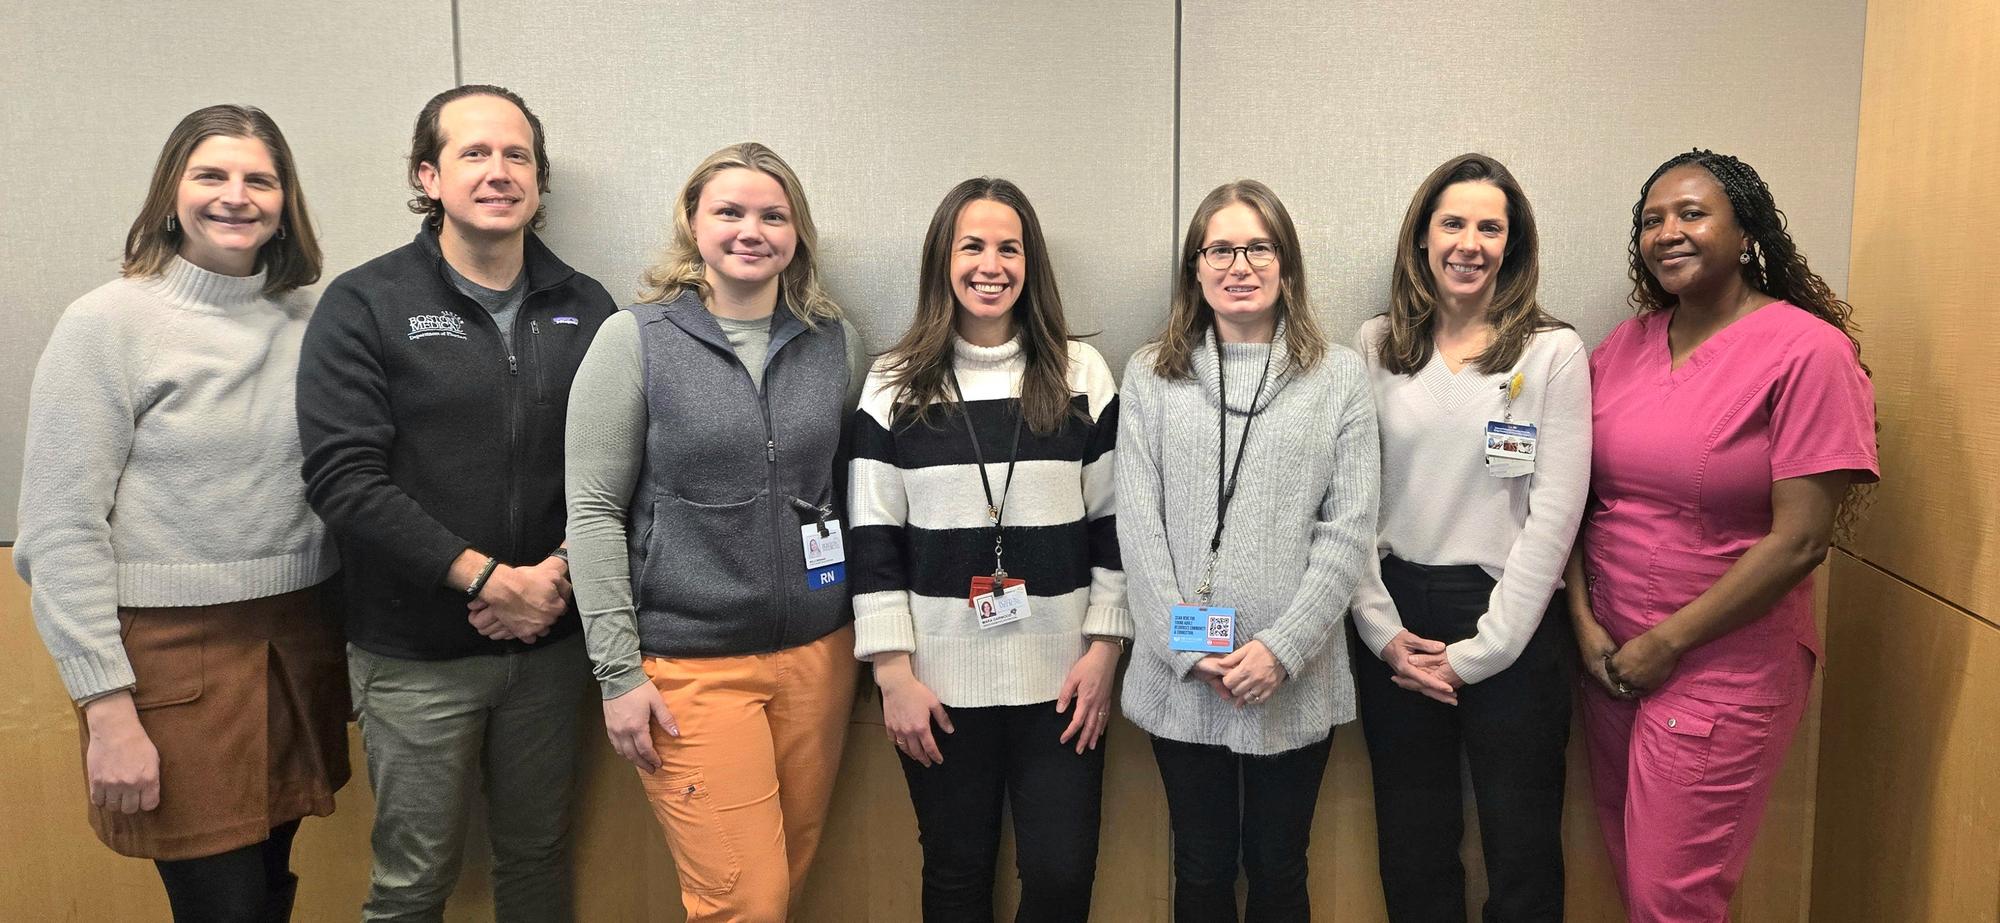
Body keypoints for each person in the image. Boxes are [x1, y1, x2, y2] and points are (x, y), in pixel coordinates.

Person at [15, 104, 343, 922]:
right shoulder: (107, 323)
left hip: (296, 638)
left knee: (269, 889)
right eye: (211, 175)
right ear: (171, 193)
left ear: (285, 203)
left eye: (259, 179)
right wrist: (105, 708)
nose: (236, 195)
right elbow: (59, 530)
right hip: (165, 658)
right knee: (221, 906)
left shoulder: (314, 322)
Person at [297, 85, 615, 921]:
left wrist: (554, 575)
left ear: (539, 180)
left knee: (538, 862)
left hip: (550, 641)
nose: (499, 171)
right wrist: (484, 579)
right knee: (413, 883)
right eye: (474, 153)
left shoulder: (588, 307)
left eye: (517, 155)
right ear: (428, 176)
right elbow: (342, 477)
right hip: (414, 655)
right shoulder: (366, 303)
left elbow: (622, 469)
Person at [1571, 148, 1878, 922]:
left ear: (1747, 234)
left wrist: (1667, 641)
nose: (1667, 232)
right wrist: (1583, 622)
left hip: (1721, 669)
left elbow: (1802, 540)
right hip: (1611, 660)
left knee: (1671, 897)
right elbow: (1573, 498)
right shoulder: (1623, 346)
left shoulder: (1809, 352)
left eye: (1691, 213)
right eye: (1651, 220)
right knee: (1635, 876)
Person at [567, 142, 868, 923]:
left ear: (797, 233)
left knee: (784, 880)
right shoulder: (635, 339)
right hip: (690, 665)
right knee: (745, 900)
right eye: (729, 211)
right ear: (693, 224)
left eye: (774, 215)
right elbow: (593, 513)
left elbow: (845, 488)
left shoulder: (833, 342)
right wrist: (616, 672)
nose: (751, 230)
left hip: (818, 655)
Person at [848, 177, 1128, 922]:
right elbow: (873, 539)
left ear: (1031, 263)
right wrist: (892, 674)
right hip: (935, 687)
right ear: (942, 259)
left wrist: (1105, 650)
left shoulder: (1080, 374)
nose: (991, 265)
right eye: (971, 246)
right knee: (955, 875)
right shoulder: (893, 383)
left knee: (1061, 878)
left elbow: (1113, 524)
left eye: (1010, 247)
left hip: (1064, 682)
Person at [1117, 179, 1377, 922]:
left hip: (1294, 676)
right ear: (1195, 268)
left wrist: (1281, 649)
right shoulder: (1151, 375)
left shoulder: (1337, 377)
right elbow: (1138, 525)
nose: (1240, 265)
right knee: (1199, 870)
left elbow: (1349, 528)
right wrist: (1187, 647)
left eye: (1259, 248)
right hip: (1183, 678)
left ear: (1286, 263)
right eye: (1221, 249)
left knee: (1279, 868)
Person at [1347, 153, 1590, 923]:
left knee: (1522, 851)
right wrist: (1383, 634)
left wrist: (1483, 651)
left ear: (1512, 245)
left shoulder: (1551, 351)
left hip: (1511, 612)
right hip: (1398, 615)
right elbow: (1351, 503)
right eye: (1453, 223)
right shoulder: (1377, 345)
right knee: (1413, 846)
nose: (1469, 243)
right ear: (1423, 236)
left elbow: (1555, 515)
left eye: (1491, 228)